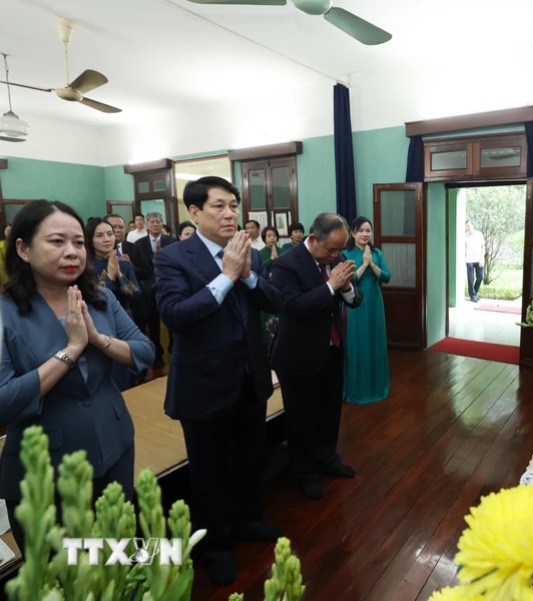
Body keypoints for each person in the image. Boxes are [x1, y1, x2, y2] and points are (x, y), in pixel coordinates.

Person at [0, 200, 154, 549]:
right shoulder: (5, 314)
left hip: (113, 445)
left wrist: (98, 340)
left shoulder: (99, 298)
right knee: (64, 573)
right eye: (57, 242)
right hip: (45, 469)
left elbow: (145, 352)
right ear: (23, 249)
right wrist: (70, 350)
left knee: (117, 557)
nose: (72, 252)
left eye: (78, 243)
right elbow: (4, 400)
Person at [154, 176, 283, 587]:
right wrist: (226, 276)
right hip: (204, 383)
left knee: (249, 456)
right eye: (219, 206)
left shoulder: (250, 253)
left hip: (249, 376)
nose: (230, 214)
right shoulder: (173, 257)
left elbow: (273, 301)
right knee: (209, 469)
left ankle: (247, 520)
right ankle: (216, 545)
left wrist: (245, 274)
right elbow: (176, 315)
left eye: (234, 206)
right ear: (194, 212)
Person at [270, 213, 362, 501]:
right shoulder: (285, 264)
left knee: (329, 410)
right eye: (331, 249)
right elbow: (292, 307)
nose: (335, 255)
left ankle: (327, 459)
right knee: (301, 417)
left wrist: (346, 287)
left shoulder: (334, 260)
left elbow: (356, 300)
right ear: (312, 239)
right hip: (298, 354)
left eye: (339, 249)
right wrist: (331, 286)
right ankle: (304, 471)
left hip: (331, 348)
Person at [86, 218, 143, 391]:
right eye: (99, 235)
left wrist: (120, 277)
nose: (106, 239)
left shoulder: (124, 263)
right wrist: (109, 278)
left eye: (109, 234)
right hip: (100, 323)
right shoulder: (86, 266)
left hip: (125, 320)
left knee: (129, 372)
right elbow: (96, 299)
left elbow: (136, 294)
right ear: (90, 239)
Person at [344, 216, 391, 405]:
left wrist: (372, 263)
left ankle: (377, 387)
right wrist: (364, 264)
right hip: (355, 303)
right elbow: (349, 280)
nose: (365, 234)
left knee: (375, 342)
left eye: (368, 230)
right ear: (353, 233)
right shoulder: (346, 254)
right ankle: (357, 388)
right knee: (357, 343)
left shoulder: (377, 253)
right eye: (361, 230)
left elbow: (387, 277)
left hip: (374, 302)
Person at [131, 212, 176, 367]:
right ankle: (157, 354)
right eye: (152, 222)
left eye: (158, 221)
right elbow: (138, 267)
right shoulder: (139, 244)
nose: (155, 224)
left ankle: (173, 350)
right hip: (149, 290)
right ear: (147, 224)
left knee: (171, 321)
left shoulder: (171, 241)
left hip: (169, 287)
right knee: (153, 323)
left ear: (162, 224)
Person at [464, 220, 485, 302]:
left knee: (480, 277)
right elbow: (463, 249)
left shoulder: (479, 235)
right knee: (470, 278)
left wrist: (482, 258)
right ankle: (473, 296)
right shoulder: (464, 236)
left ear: (472, 226)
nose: (467, 228)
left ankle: (474, 293)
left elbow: (483, 247)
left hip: (479, 259)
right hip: (469, 260)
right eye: (466, 226)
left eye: (468, 226)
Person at [0, 223, 11, 288]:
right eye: (8, 230)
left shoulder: (17, 244)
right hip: (5, 274)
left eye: (11, 230)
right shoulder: (1, 245)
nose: (10, 232)